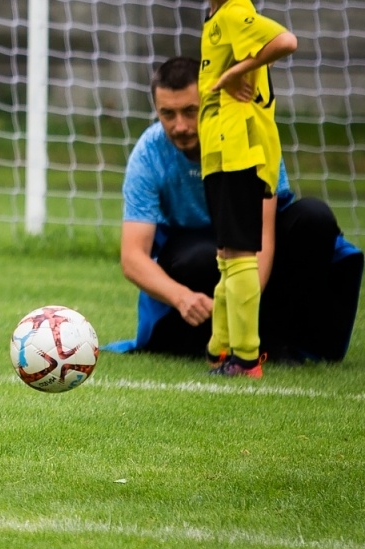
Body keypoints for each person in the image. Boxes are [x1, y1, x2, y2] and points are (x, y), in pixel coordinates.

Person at [109, 56, 360, 361]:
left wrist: (244, 306)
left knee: (313, 218)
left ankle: (273, 339)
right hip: (195, 262)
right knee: (202, 256)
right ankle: (211, 340)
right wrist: (182, 297)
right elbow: (132, 257)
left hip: (253, 254)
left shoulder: (250, 139)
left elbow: (264, 235)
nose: (180, 126)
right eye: (168, 114)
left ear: (211, 102)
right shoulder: (148, 153)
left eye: (190, 111)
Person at [165, 0, 301, 378]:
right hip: (222, 151)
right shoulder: (217, 15)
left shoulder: (238, 12)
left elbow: (286, 40)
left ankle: (246, 357)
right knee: (227, 255)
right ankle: (220, 350)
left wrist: (236, 72)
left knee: (240, 255)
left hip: (241, 150)